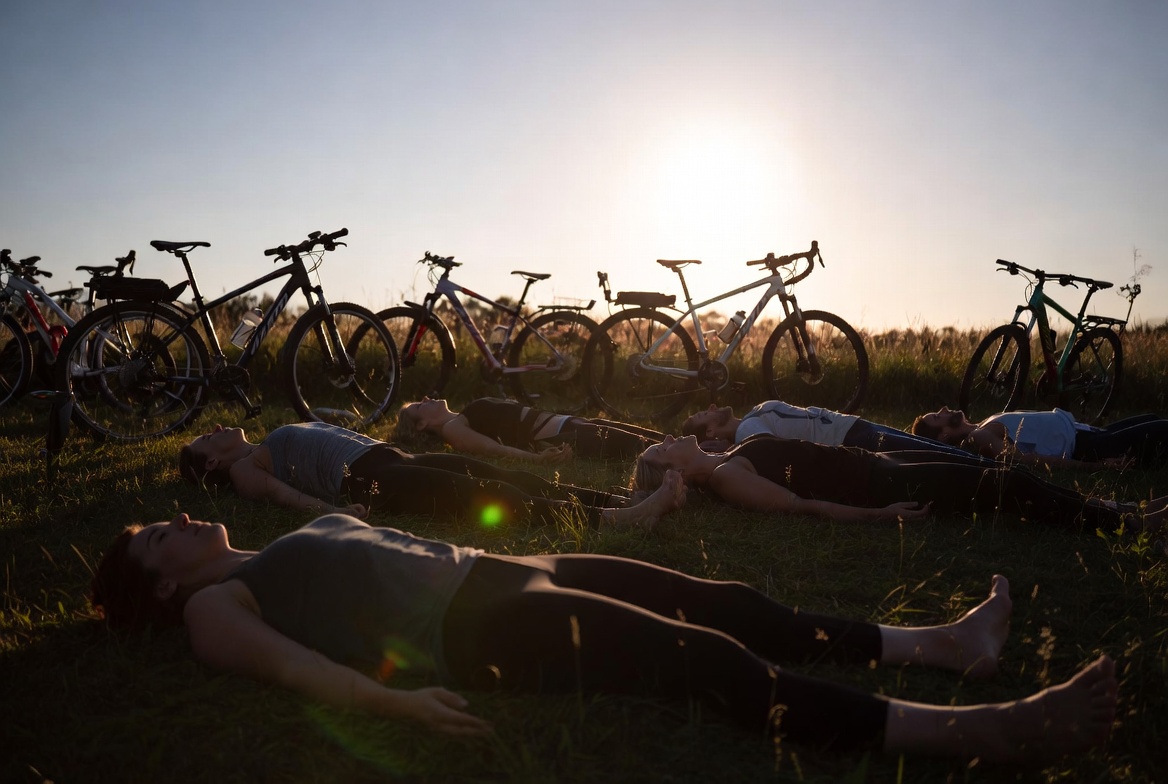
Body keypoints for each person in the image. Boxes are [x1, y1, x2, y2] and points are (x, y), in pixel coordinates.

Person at [89, 509, 1117, 763]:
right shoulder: (211, 606)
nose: (178, 519)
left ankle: (940, 643)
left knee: (721, 597)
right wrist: (393, 701)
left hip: (499, 568)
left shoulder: (262, 546)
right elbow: (292, 666)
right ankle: (982, 729)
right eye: (158, 535)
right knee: (705, 663)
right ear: (158, 578)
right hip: (476, 627)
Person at [179, 422, 681, 531]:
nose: (214, 430)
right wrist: (334, 513)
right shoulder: (246, 468)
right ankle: (617, 520)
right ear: (210, 464)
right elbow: (280, 494)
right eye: (204, 440)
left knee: (497, 473)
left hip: (389, 460)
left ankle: (618, 496)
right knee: (485, 494)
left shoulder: (266, 437)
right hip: (368, 484)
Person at [633, 434, 1168, 532]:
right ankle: (1125, 521)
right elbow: (800, 506)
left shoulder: (727, 454)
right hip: (877, 482)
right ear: (673, 472)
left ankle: (1109, 504)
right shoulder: (728, 476)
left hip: (873, 459)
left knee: (1000, 477)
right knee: (1005, 486)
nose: (665, 438)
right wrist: (880, 515)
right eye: (659, 449)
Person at [394, 397, 665, 462]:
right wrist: (537, 460)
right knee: (642, 448)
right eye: (419, 405)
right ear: (421, 425)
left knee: (652, 439)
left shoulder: (461, 415)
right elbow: (492, 448)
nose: (426, 399)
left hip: (561, 421)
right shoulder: (453, 428)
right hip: (556, 434)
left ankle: (703, 453)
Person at [683, 401, 977, 458]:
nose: (709, 408)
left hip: (851, 424)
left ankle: (987, 455)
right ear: (710, 431)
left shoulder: (752, 413)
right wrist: (730, 451)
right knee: (933, 454)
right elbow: (770, 449)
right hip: (848, 438)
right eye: (703, 415)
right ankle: (996, 469)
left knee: (926, 448)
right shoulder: (747, 433)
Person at [911, 406, 1168, 470]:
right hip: (1089, 447)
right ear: (944, 435)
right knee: (1162, 428)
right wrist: (1097, 466)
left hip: (1087, 431)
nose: (944, 409)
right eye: (937, 416)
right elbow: (1026, 460)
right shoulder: (981, 436)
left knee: (1152, 417)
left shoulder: (981, 424)